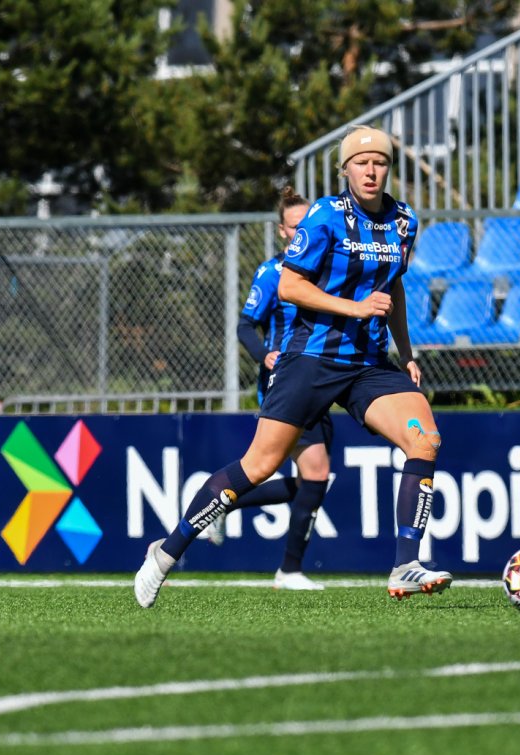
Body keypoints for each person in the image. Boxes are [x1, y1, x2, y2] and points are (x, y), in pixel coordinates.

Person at [135, 125, 448, 607]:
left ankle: (406, 564)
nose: (371, 170)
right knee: (259, 466)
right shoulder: (326, 215)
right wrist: (355, 309)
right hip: (311, 359)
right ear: (345, 170)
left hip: (368, 364)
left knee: (424, 439)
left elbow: (394, 288)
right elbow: (290, 286)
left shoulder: (404, 220)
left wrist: (406, 353)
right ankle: (166, 552)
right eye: (361, 163)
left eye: (380, 162)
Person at [210, 187, 331, 591]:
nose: (301, 233)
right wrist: (264, 355)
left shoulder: (329, 269)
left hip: (321, 382)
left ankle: (222, 501)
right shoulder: (272, 273)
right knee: (315, 473)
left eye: (307, 225)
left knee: (312, 480)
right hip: (286, 384)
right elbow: (246, 325)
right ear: (282, 231)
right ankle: (289, 570)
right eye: (294, 227)